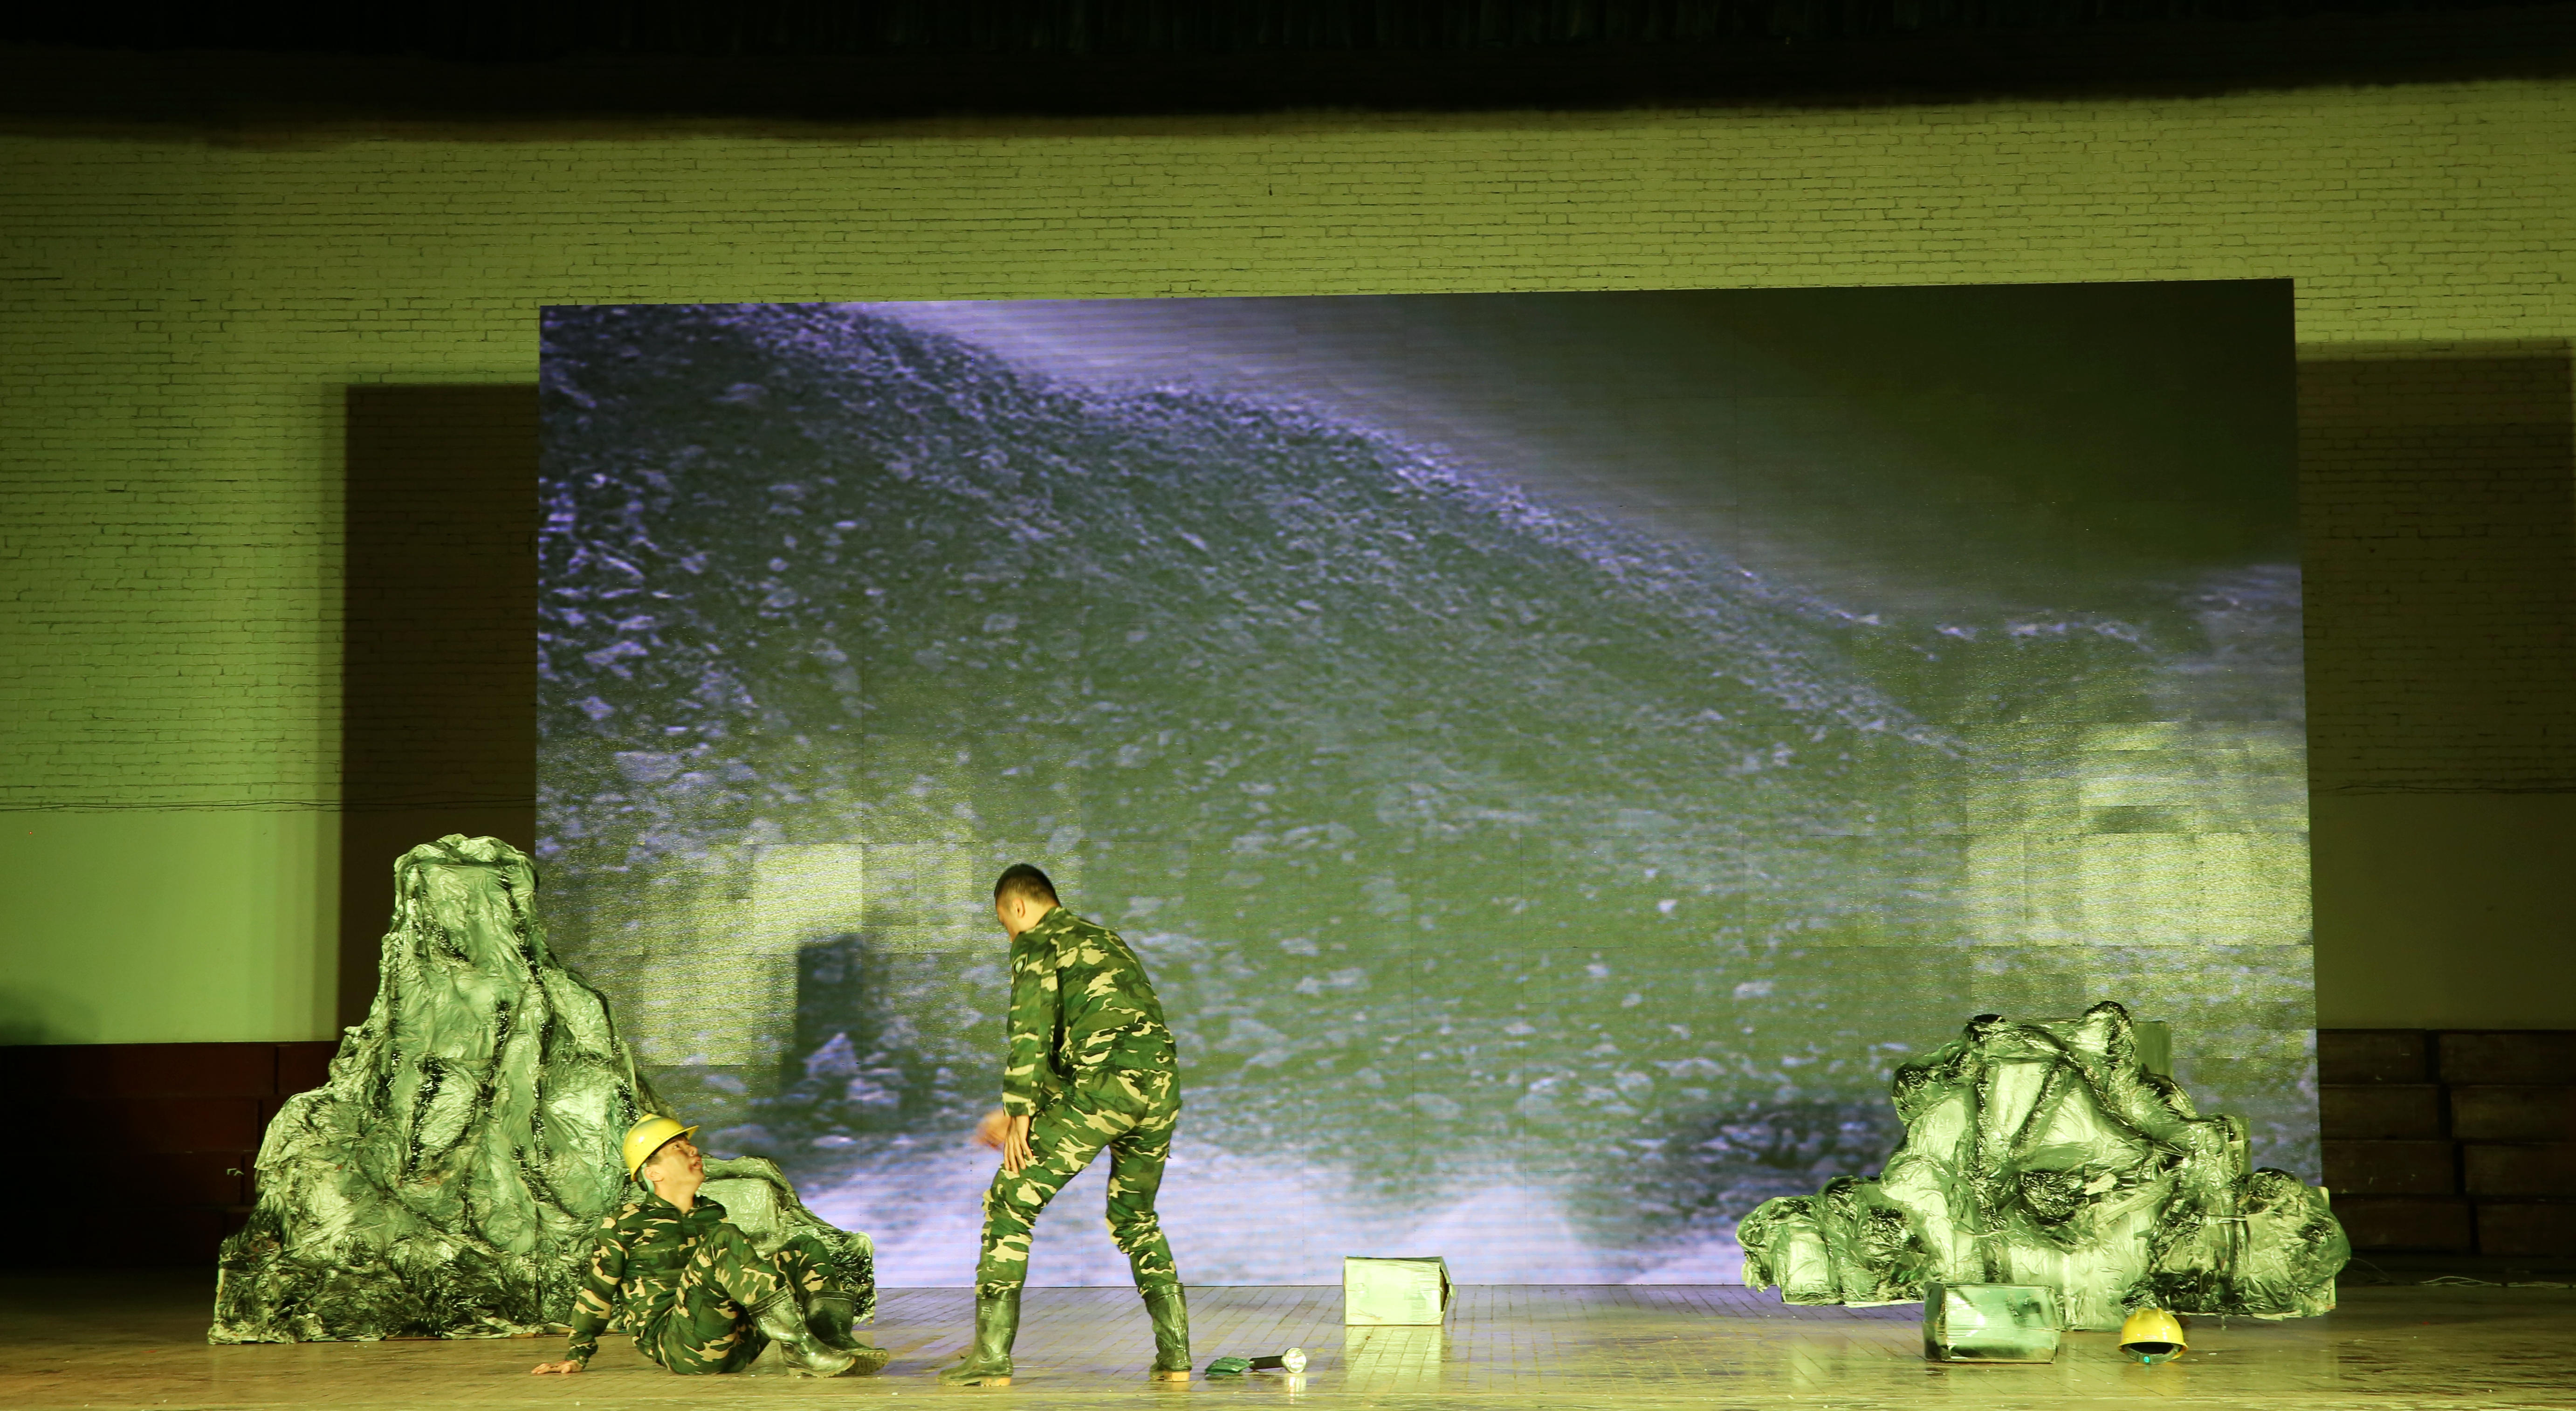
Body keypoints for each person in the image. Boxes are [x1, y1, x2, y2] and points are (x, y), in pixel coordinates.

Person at [940, 863, 1190, 1388]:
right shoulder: (1105, 939)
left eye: (1004, 923)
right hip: (1159, 1089)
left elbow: (1030, 1033)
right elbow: (1097, 1041)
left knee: (1010, 1200)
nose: (1008, 935)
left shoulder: (1037, 942)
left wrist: (1019, 1114)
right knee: (1135, 1218)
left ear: (1018, 907)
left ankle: (991, 1357)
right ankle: (1176, 1360)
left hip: (1104, 1088)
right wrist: (1018, 1110)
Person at [531, 1115, 888, 1378]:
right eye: (678, 1147)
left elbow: (740, 1278)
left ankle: (832, 1339)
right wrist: (577, 1354)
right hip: (681, 1346)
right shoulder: (625, 1222)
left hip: (737, 1343)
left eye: (690, 1144)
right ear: (652, 1172)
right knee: (725, 1238)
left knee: (805, 1248)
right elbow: (597, 1291)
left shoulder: (712, 1213)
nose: (693, 1149)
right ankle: (801, 1346)